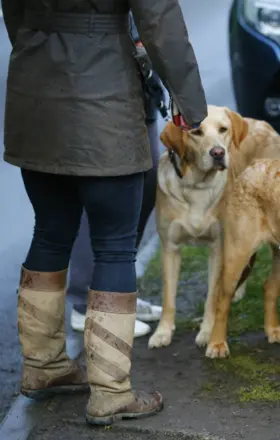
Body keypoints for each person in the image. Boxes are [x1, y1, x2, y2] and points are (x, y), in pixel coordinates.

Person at [3, 0, 207, 425]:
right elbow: (159, 18)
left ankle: (43, 367)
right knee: (115, 246)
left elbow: (14, 12)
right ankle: (111, 392)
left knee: (51, 230)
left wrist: (38, 48)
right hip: (104, 95)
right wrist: (190, 102)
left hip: (35, 89)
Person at [67, 12, 166, 339]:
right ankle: (88, 302)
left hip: (135, 68)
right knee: (107, 190)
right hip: (100, 73)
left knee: (145, 181)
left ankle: (117, 294)